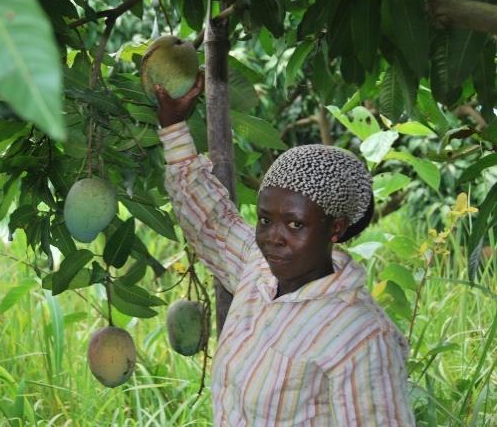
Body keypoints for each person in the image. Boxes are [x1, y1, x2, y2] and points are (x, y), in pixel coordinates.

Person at [154, 75, 416, 426]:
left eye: (295, 224)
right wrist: (173, 126)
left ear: (334, 228)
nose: (272, 238)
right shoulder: (259, 273)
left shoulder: (361, 337)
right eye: (265, 220)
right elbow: (210, 220)